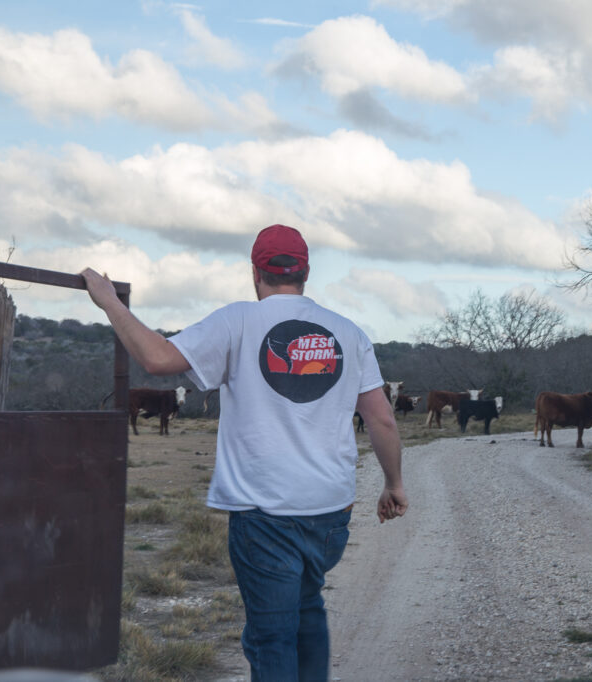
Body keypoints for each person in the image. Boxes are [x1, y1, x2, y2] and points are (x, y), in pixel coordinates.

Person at [81, 223, 408, 681]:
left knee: (272, 635)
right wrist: (393, 484)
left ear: (256, 272)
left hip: (264, 512)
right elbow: (382, 418)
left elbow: (157, 359)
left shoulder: (237, 321)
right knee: (308, 607)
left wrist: (110, 302)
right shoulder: (348, 333)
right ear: (306, 272)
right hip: (330, 509)